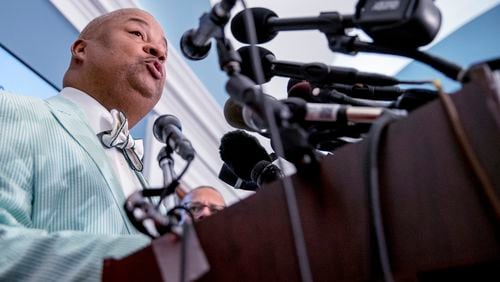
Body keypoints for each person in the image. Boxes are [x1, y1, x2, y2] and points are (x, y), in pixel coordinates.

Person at [0, 8, 168, 281]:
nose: (157, 52)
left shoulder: (144, 185)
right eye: (137, 33)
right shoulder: (12, 110)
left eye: (165, 53)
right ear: (80, 49)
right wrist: (146, 259)